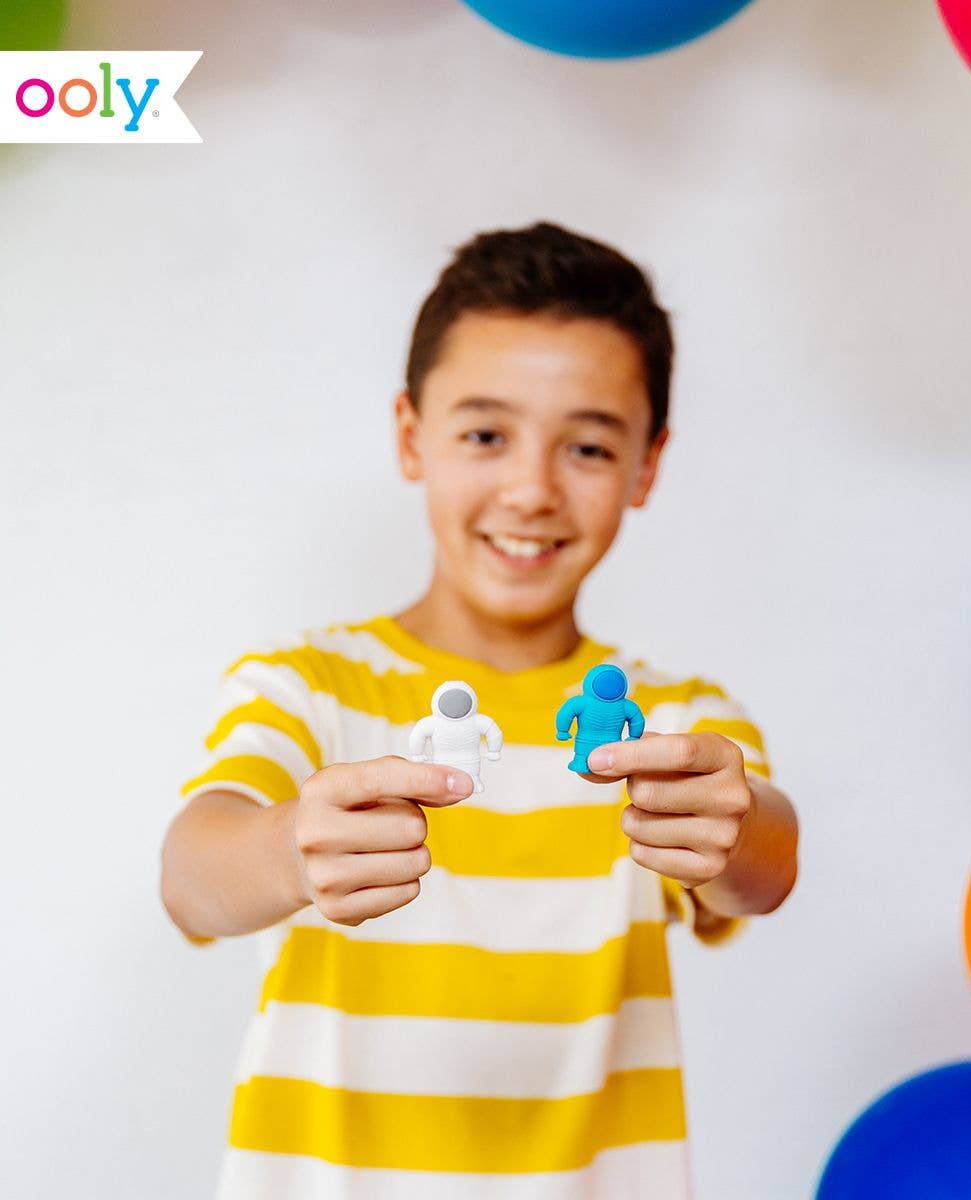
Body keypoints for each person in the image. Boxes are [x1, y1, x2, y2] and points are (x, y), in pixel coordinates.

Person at [161, 220, 800, 1200]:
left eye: (587, 446)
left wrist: (736, 828)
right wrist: (287, 848)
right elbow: (194, 872)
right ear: (414, 438)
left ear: (646, 466)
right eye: (486, 434)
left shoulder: (673, 722)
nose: (532, 489)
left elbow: (765, 862)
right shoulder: (313, 689)